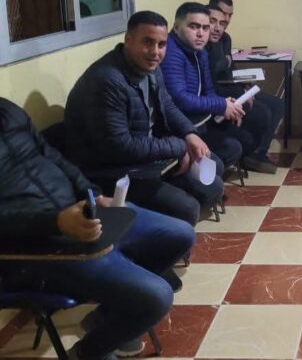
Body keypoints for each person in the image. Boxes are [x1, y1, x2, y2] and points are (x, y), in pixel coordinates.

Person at [0, 97, 195, 360]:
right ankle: (87, 353)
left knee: (179, 234)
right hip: (32, 248)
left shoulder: (6, 109)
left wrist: (91, 193)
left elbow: (51, 156)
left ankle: (108, 316)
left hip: (78, 211)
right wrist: (56, 221)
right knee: (157, 296)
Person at [65, 11, 225, 226]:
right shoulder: (106, 81)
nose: (155, 52)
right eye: (148, 42)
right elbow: (120, 147)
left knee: (213, 174)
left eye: (162, 44)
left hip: (146, 157)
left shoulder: (151, 67)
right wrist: (178, 147)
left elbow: (167, 105)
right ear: (128, 40)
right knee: (187, 208)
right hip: (114, 171)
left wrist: (189, 134)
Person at [160, 2, 245, 172]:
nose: (201, 34)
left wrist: (225, 104)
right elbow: (179, 99)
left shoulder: (201, 52)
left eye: (205, 28)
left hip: (198, 120)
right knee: (217, 164)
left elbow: (209, 91)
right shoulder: (171, 52)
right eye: (194, 27)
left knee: (234, 146)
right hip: (175, 127)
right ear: (176, 28)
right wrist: (220, 105)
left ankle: (202, 174)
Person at [205, 0, 283, 174]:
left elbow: (229, 70)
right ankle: (248, 153)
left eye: (228, 16)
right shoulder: (205, 44)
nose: (224, 21)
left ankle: (258, 153)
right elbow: (212, 82)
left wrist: (245, 85)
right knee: (262, 112)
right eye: (218, 17)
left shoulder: (225, 39)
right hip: (222, 94)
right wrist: (240, 91)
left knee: (278, 104)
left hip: (233, 87)